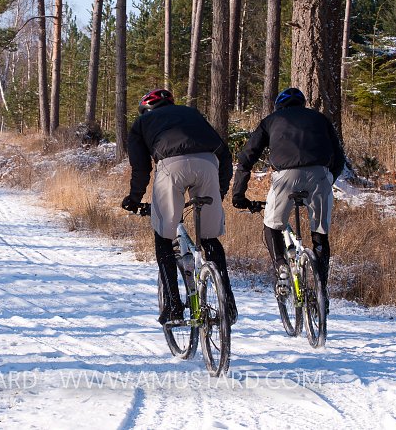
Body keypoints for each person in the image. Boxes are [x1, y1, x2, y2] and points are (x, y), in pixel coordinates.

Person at [121, 89, 236, 325]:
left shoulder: (142, 123)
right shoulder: (192, 114)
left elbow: (141, 167)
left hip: (171, 167)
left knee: (164, 235)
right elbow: (225, 153)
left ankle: (173, 305)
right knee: (211, 238)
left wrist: (134, 199)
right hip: (208, 164)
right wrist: (219, 192)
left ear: (146, 109)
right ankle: (228, 304)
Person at [231, 87, 345, 312]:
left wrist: (239, 195)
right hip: (319, 174)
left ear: (279, 107)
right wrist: (328, 179)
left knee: (272, 224)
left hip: (286, 177)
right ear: (302, 105)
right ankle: (322, 289)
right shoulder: (320, 118)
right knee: (320, 234)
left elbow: (246, 158)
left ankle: (281, 266)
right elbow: (339, 157)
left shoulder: (271, 120)